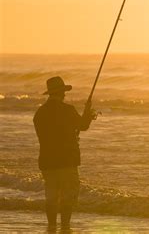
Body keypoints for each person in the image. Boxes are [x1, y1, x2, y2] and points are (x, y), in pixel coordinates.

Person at [33, 76, 95, 231]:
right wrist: (88, 113)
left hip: (47, 161)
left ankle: (52, 226)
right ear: (61, 93)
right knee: (68, 195)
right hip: (67, 160)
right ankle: (65, 226)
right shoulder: (68, 110)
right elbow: (82, 126)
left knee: (51, 196)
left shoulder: (39, 114)